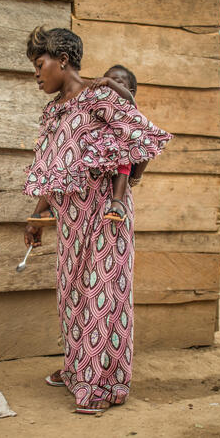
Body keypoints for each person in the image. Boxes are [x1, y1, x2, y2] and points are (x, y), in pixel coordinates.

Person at [23, 27, 173, 413]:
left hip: (108, 215)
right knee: (72, 297)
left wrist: (130, 183)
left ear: (63, 60)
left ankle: (102, 387)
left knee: (103, 296)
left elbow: (143, 136)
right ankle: (77, 373)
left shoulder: (98, 97)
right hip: (71, 221)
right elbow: (54, 169)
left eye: (40, 65)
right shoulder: (54, 111)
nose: (37, 74)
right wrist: (38, 214)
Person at [27, 64, 146, 225]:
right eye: (106, 82)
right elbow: (61, 162)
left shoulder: (129, 110)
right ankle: (48, 209)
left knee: (122, 168)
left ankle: (117, 203)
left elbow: (144, 147)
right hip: (75, 216)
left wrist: (134, 179)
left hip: (111, 195)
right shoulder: (93, 112)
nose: (108, 86)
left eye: (116, 83)